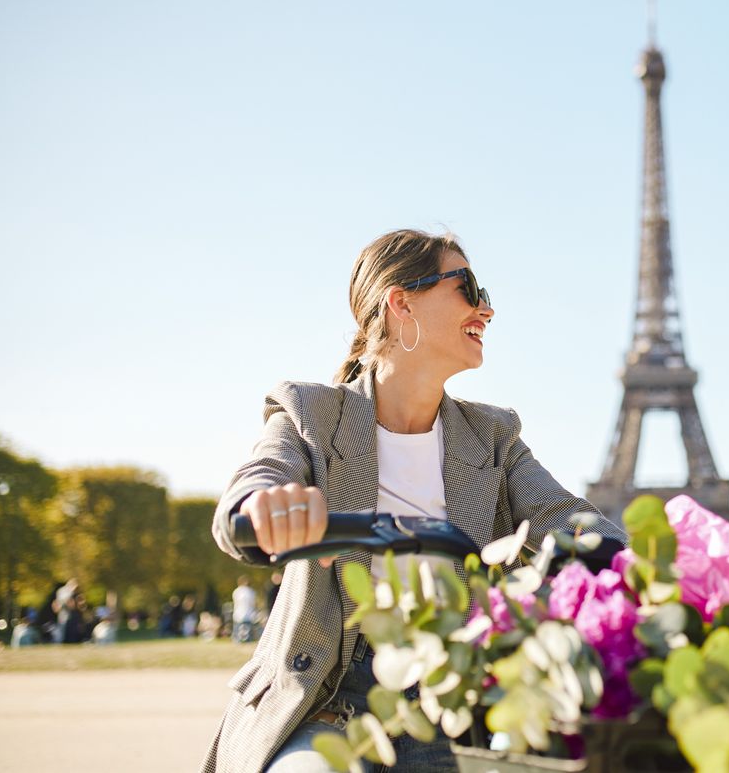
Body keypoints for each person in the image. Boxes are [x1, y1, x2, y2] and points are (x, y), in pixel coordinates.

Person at [203, 229, 625, 773]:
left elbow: (563, 517)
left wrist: (630, 566)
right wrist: (261, 509)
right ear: (401, 303)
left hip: (453, 702)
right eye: (468, 287)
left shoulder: (493, 436)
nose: (487, 308)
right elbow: (258, 480)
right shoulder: (309, 413)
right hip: (329, 700)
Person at [231, 576, 258, 643]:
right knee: (245, 629)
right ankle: (245, 640)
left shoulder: (237, 591)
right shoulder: (250, 592)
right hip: (247, 613)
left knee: (240, 628)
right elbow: (253, 603)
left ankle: (238, 640)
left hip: (240, 613)